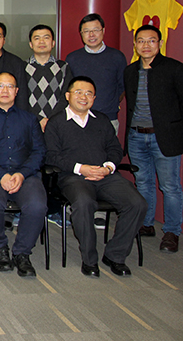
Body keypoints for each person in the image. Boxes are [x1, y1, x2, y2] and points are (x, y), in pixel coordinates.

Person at [45, 76, 147, 277]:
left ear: (94, 98)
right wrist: (81, 168)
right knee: (84, 203)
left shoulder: (101, 120)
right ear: (68, 96)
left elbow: (115, 149)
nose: (84, 97)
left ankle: (115, 255)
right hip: (73, 177)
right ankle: (89, 259)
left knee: (137, 204)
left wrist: (108, 167)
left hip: (105, 175)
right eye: (79, 92)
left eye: (89, 93)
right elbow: (51, 155)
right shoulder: (56, 122)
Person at [0, 72, 46, 278]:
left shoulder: (30, 120)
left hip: (26, 175)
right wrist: (1, 174)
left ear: (17, 91)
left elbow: (39, 152)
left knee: (37, 205)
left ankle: (22, 252)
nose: (5, 90)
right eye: (0, 86)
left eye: (10, 86)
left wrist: (21, 174)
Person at [124, 25, 183, 253]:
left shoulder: (174, 69)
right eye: (141, 41)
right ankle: (146, 224)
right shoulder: (130, 71)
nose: (146, 45)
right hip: (137, 136)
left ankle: (171, 231)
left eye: (151, 41)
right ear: (135, 45)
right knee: (143, 183)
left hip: (164, 137)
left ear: (159, 44)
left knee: (170, 186)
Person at [66, 13, 127, 134]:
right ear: (81, 34)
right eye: (86, 31)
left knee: (107, 152)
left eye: (95, 30)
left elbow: (122, 87)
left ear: (103, 31)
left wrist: (111, 105)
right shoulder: (72, 58)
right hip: (78, 118)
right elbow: (68, 88)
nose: (91, 35)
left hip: (108, 118)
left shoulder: (117, 57)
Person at [25, 24, 73, 131]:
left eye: (46, 38)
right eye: (37, 38)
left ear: (53, 43)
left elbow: (66, 96)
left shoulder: (63, 67)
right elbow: (21, 98)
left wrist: (50, 120)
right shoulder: (22, 67)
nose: (41, 41)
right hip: (29, 123)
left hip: (57, 124)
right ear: (31, 44)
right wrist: (39, 119)